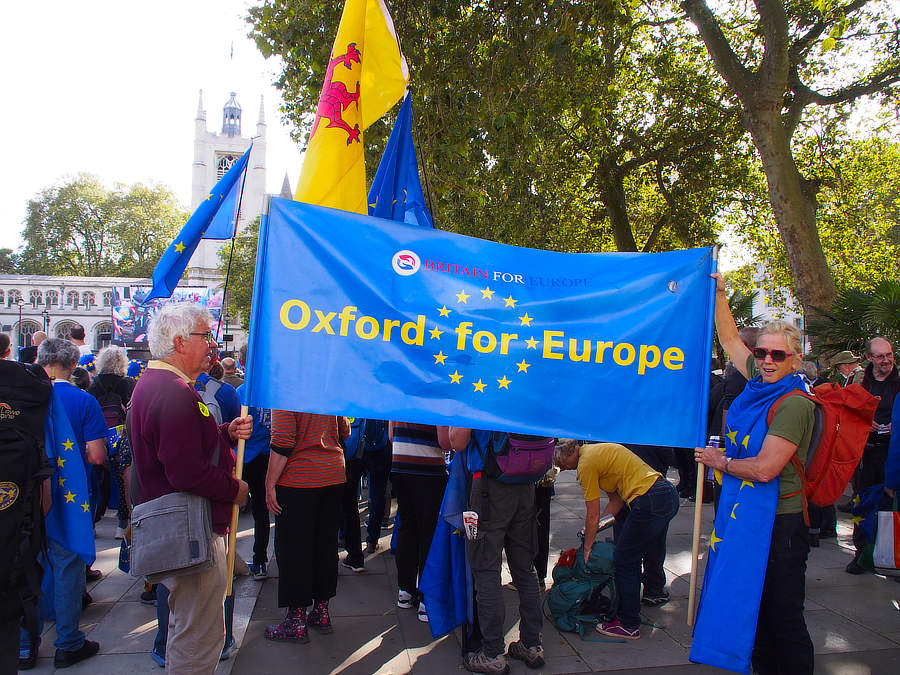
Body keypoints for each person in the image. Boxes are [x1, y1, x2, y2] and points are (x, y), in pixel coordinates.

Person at [695, 272, 815, 675]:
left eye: (777, 356)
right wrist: (721, 293)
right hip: (745, 513)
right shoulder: (760, 382)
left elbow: (765, 470)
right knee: (755, 605)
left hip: (779, 521)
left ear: (794, 360)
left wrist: (721, 463)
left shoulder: (795, 403)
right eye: (762, 353)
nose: (766, 360)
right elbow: (730, 338)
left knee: (783, 614)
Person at [128, 303, 251, 675]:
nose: (212, 345)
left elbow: (183, 447)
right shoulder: (174, 392)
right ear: (180, 342)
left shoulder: (164, 386)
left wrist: (223, 433)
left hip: (185, 525)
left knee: (192, 628)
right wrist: (235, 489)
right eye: (205, 336)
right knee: (199, 637)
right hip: (190, 528)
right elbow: (185, 471)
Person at [18, 338, 107, 669]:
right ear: (73, 365)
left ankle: (26, 643)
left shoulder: (22, 398)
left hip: (25, 494)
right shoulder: (84, 400)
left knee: (28, 564)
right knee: (68, 566)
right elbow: (97, 454)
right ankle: (68, 641)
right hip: (66, 494)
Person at [555, 440, 678, 639]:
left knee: (625, 560)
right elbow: (616, 500)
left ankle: (628, 623)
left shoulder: (586, 464)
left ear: (570, 455)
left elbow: (592, 513)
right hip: (663, 494)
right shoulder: (596, 452)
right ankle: (632, 607)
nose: (563, 468)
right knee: (632, 554)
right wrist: (593, 530)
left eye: (561, 463)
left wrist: (587, 549)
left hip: (650, 499)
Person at [445, 427, 544, 673]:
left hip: (489, 486)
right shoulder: (524, 388)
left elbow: (457, 442)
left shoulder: (479, 388)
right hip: (526, 482)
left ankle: (492, 654)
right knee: (525, 568)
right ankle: (532, 644)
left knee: (486, 570)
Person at [264, 411, 348, 642]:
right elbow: (345, 431)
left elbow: (282, 440)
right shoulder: (329, 384)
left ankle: (296, 619)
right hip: (333, 474)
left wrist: (269, 482)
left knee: (294, 549)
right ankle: (321, 611)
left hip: (299, 478)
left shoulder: (288, 387)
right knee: (325, 547)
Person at [847, 336, 900, 574]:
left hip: (894, 451)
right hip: (867, 452)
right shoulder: (860, 383)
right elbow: (846, 416)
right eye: (880, 356)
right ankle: (861, 554)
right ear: (869, 357)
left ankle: (895, 558)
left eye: (889, 355)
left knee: (893, 505)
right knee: (863, 503)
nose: (886, 360)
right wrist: (865, 425)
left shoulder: (899, 383)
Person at [389, 421, 448, 622]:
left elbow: (390, 435)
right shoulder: (436, 394)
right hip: (428, 469)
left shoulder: (399, 391)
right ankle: (426, 600)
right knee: (428, 534)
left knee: (407, 528)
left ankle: (405, 591)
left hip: (400, 465)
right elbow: (445, 441)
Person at [89, 346, 135, 539]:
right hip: (122, 437)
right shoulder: (128, 383)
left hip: (98, 436)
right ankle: (122, 523)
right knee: (123, 479)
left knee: (98, 480)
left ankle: (93, 520)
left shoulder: (95, 384)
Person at [235, 383, 272, 579]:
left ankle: (253, 561)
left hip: (246, 457)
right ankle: (260, 561)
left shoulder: (242, 392)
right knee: (260, 510)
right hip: (261, 457)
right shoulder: (270, 391)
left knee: (235, 509)